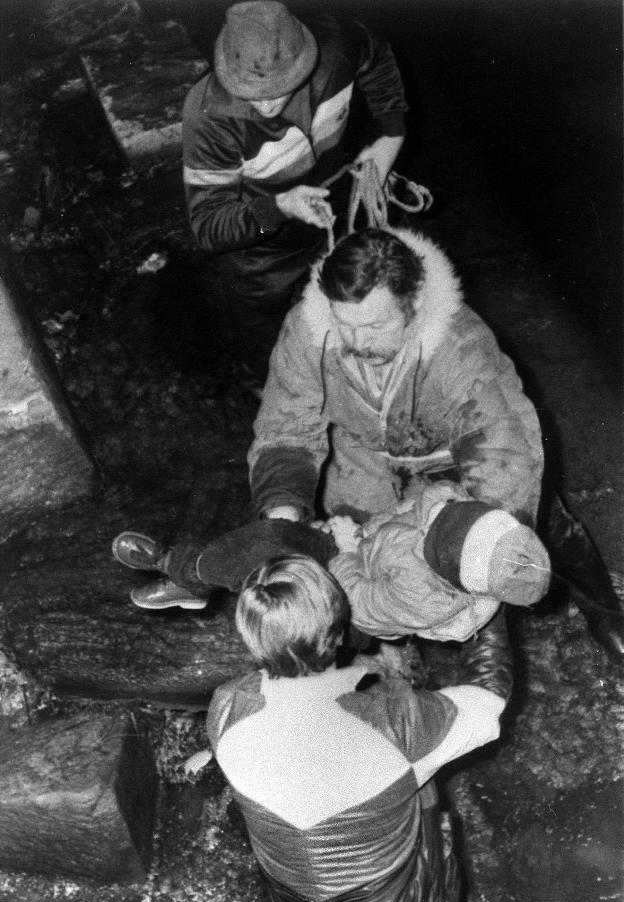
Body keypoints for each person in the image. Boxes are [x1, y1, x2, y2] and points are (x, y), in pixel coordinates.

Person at [247, 224, 624, 660]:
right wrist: (283, 513)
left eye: (374, 325)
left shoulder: (460, 347)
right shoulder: (307, 329)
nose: (356, 342)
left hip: (453, 460)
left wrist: (463, 551)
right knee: (357, 553)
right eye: (344, 324)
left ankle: (603, 607)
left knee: (539, 524)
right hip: (362, 462)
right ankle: (395, 656)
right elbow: (285, 427)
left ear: (414, 305)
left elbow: (500, 451)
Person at [187, 554, 513, 902]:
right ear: (339, 633)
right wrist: (489, 592)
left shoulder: (225, 708)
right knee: (423, 776)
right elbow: (490, 695)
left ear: (250, 636)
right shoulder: (394, 721)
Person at [182, 1, 408, 376]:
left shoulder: (340, 46)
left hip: (336, 208)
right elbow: (207, 226)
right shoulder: (210, 115)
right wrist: (281, 205)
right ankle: (264, 386)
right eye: (252, 90)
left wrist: (391, 130)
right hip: (260, 246)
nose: (267, 102)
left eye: (278, 87)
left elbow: (378, 55)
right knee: (265, 338)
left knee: (349, 307)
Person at [112, 481, 551, 644]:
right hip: (364, 548)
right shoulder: (455, 508)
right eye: (446, 519)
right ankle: (191, 576)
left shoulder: (428, 598)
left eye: (437, 539)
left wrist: (343, 549)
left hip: (356, 608)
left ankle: (179, 567)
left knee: (276, 560)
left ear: (452, 574)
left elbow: (359, 603)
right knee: (274, 537)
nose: (435, 519)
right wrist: (356, 528)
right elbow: (412, 510)